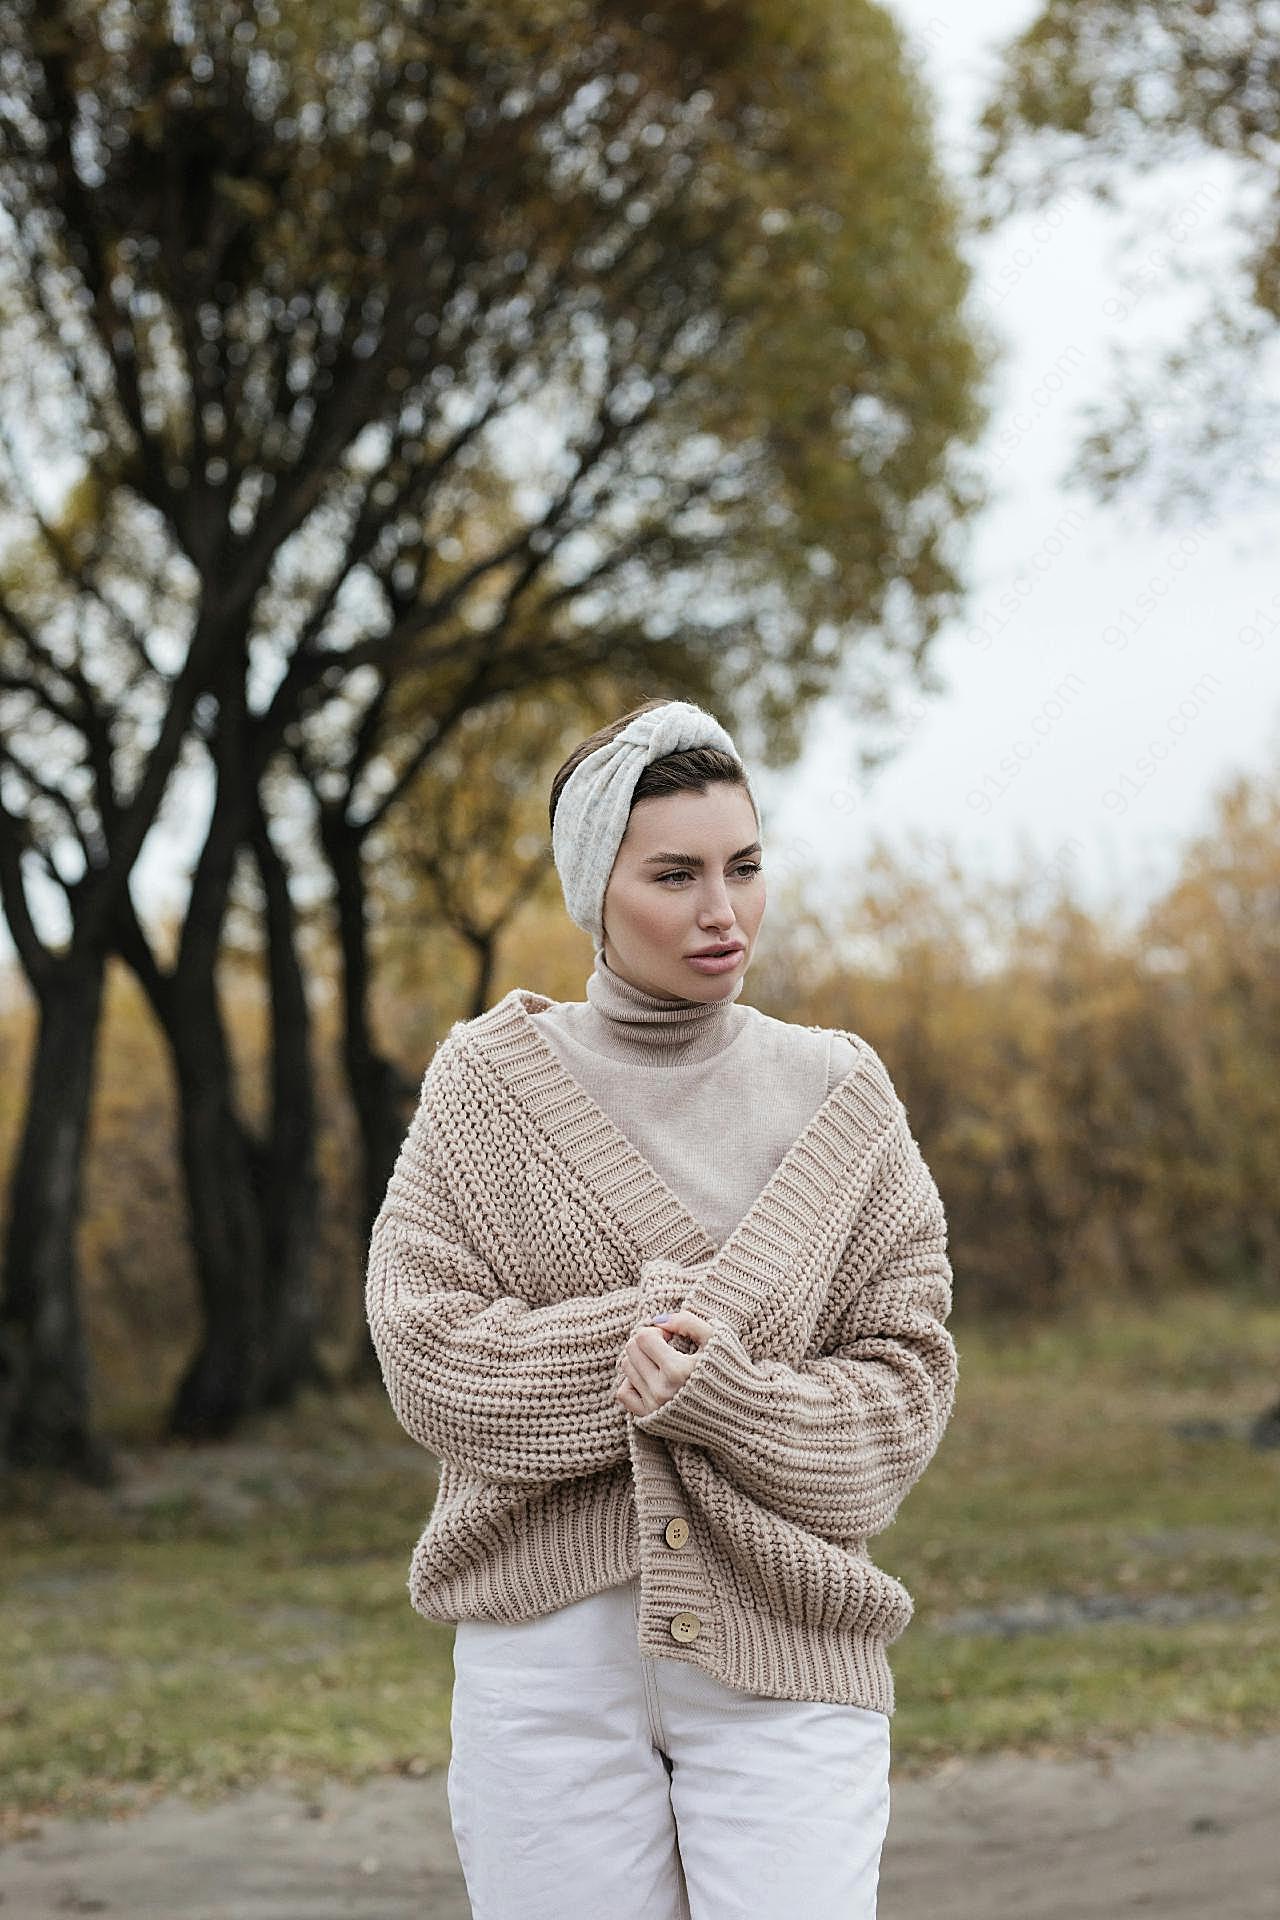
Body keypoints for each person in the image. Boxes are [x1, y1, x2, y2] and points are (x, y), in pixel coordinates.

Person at [365, 696, 958, 1920]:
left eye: (743, 868)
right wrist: (621, 1357)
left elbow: (903, 1387)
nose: (720, 912)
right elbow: (423, 1348)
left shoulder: (840, 1099)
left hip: (788, 1654)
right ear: (595, 889)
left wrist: (726, 1399)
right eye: (674, 875)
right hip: (544, 1662)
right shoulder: (488, 1089)